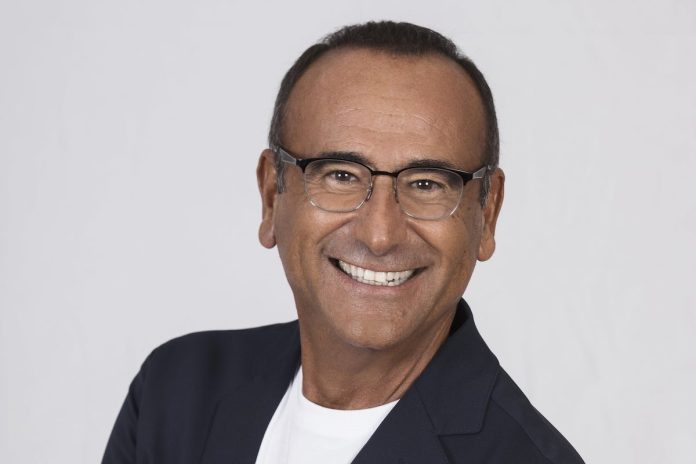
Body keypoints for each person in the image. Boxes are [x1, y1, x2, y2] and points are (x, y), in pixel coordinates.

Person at [102, 21, 585, 464]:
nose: (380, 235)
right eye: (340, 175)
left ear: (488, 213)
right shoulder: (175, 392)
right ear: (271, 196)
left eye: (427, 184)